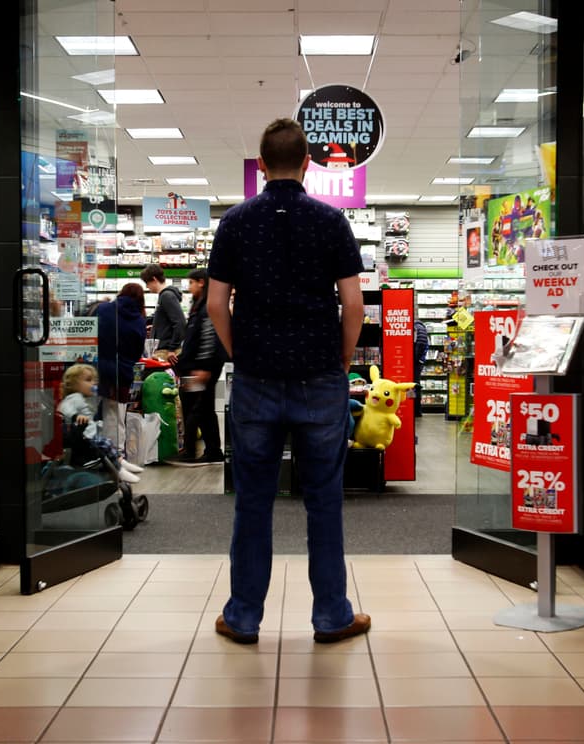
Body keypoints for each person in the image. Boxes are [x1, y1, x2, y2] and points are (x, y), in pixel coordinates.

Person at [207, 118, 370, 645]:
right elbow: (352, 305)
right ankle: (332, 617)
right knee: (324, 501)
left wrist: (242, 355)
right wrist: (341, 362)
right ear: (307, 164)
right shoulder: (331, 222)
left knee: (252, 501)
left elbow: (215, 304)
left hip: (256, 381)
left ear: (261, 163)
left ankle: (243, 617)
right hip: (319, 379)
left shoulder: (234, 223)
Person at [168, 268, 226, 464]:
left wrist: (205, 367)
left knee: (196, 408)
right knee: (201, 408)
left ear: (201, 282)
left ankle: (192, 451)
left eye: (191, 283)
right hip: (194, 366)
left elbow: (209, 338)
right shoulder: (198, 305)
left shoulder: (207, 307)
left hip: (199, 368)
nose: (188, 287)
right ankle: (211, 451)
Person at [58, 364, 143, 483]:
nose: (93, 383)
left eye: (94, 380)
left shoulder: (85, 398)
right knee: (103, 445)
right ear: (74, 384)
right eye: (88, 380)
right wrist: (76, 416)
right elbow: (64, 408)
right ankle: (119, 470)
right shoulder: (73, 398)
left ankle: (120, 463)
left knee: (106, 443)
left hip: (88, 434)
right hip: (83, 436)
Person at [96, 283, 147, 454]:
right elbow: (138, 352)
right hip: (121, 374)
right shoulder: (140, 320)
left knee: (89, 412)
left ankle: (91, 453)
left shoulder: (103, 309)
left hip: (96, 369)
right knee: (116, 418)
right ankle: (115, 456)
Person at [141, 264, 186, 354]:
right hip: (163, 348)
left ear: (154, 279)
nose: (147, 287)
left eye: (147, 283)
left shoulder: (167, 296)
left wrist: (172, 349)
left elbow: (180, 323)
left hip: (166, 351)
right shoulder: (164, 296)